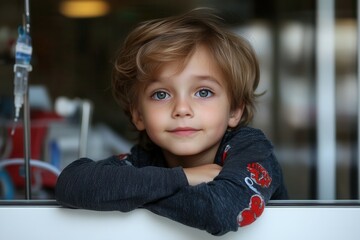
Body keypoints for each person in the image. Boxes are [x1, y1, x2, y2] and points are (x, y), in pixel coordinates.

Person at [55, 8, 288, 236]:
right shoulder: (145, 160)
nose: (182, 109)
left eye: (204, 92)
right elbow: (71, 183)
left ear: (235, 110)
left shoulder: (252, 149)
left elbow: (219, 210)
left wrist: (132, 193)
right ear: (138, 115)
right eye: (161, 94)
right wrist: (185, 176)